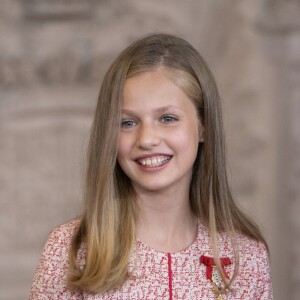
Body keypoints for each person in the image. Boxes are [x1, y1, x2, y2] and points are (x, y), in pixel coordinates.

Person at [29, 33, 273, 299]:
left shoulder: (247, 258)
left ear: (203, 126)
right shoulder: (69, 252)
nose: (146, 139)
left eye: (167, 118)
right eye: (128, 123)